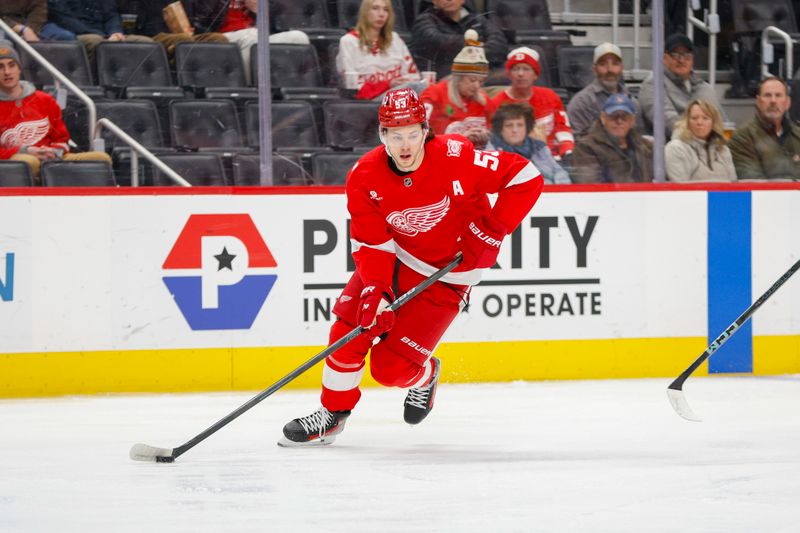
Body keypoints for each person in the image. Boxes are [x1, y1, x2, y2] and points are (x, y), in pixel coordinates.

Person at [279, 87, 543, 447]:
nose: (405, 145)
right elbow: (372, 244)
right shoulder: (364, 175)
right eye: (395, 135)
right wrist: (376, 288)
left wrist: (493, 231)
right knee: (348, 331)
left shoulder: (455, 156)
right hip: (396, 261)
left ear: (425, 130)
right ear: (382, 135)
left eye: (412, 134)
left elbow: (526, 177)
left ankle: (425, 376)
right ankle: (332, 414)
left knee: (390, 371)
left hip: (448, 275)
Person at [0, 42, 111, 182]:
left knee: (101, 159)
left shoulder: (45, 100)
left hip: (51, 158)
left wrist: (53, 152)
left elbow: (61, 140)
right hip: (14, 162)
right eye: (0, 67)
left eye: (11, 65)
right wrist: (26, 151)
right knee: (29, 162)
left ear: (19, 69)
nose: (7, 72)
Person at [181, 0, 308, 84]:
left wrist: (257, 10)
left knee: (299, 37)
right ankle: (250, 89)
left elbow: (275, 25)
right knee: (251, 35)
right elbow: (201, 23)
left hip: (255, 36)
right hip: (222, 37)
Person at [491, 46, 575, 162]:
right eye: (516, 69)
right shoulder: (497, 103)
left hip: (553, 160)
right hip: (515, 162)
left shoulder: (550, 97)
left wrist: (567, 152)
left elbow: (563, 129)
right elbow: (495, 141)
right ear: (509, 75)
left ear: (535, 74)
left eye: (526, 69)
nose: (520, 74)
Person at [637, 33, 725, 136]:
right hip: (669, 147)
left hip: (707, 144)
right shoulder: (653, 84)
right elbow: (668, 121)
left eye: (687, 55)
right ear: (664, 58)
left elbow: (720, 123)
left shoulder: (704, 88)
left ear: (692, 59)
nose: (681, 60)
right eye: (675, 55)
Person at [419, 30, 495, 148]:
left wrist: (487, 135)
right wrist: (461, 138)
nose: (477, 86)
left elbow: (497, 133)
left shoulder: (483, 100)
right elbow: (420, 134)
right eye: (472, 80)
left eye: (481, 81)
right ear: (458, 78)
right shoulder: (434, 95)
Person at [335, 0, 424, 100]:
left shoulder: (395, 39)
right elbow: (354, 88)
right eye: (375, 8)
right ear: (365, 12)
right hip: (369, 101)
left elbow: (413, 76)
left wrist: (403, 82)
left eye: (386, 10)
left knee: (426, 87)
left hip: (400, 96)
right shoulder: (349, 41)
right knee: (413, 89)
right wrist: (388, 84)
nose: (381, 14)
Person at [409, 0, 507, 81]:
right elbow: (439, 41)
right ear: (434, 1)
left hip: (480, 78)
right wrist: (476, 46)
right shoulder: (424, 21)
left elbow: (499, 44)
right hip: (444, 80)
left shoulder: (477, 20)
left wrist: (474, 49)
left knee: (509, 78)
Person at [566, 42, 643, 141]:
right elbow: (576, 141)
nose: (610, 70)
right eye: (603, 64)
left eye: (615, 64)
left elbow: (639, 137)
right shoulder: (581, 102)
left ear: (622, 68)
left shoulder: (633, 103)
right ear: (594, 69)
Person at [727, 76, 800, 180]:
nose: (773, 101)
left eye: (778, 95)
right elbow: (753, 181)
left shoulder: (798, 135)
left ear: (788, 103)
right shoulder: (741, 138)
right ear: (758, 102)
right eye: (767, 95)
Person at [571, 93, 653, 183]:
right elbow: (589, 185)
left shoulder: (645, 146)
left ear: (633, 120)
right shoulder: (586, 147)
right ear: (603, 118)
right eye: (614, 116)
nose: (619, 121)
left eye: (625, 117)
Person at [487, 102, 571, 184]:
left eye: (520, 125)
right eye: (509, 125)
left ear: (527, 127)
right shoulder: (492, 152)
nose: (514, 130)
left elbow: (558, 171)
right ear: (500, 128)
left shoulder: (539, 147)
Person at [47, 0, 153, 59]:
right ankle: (95, 83)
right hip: (76, 34)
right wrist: (104, 37)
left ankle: (138, 88)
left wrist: (115, 32)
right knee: (95, 41)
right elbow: (64, 19)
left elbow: (111, 15)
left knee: (146, 43)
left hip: (106, 34)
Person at [665, 99, 736, 182]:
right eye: (694, 118)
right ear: (687, 121)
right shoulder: (676, 148)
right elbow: (680, 188)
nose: (699, 122)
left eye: (705, 118)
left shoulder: (723, 149)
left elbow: (734, 183)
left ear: (714, 123)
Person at [1, 0, 75, 41]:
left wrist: (31, 30)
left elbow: (39, 12)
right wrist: (22, 29)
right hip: (5, 26)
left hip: (34, 24)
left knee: (66, 37)